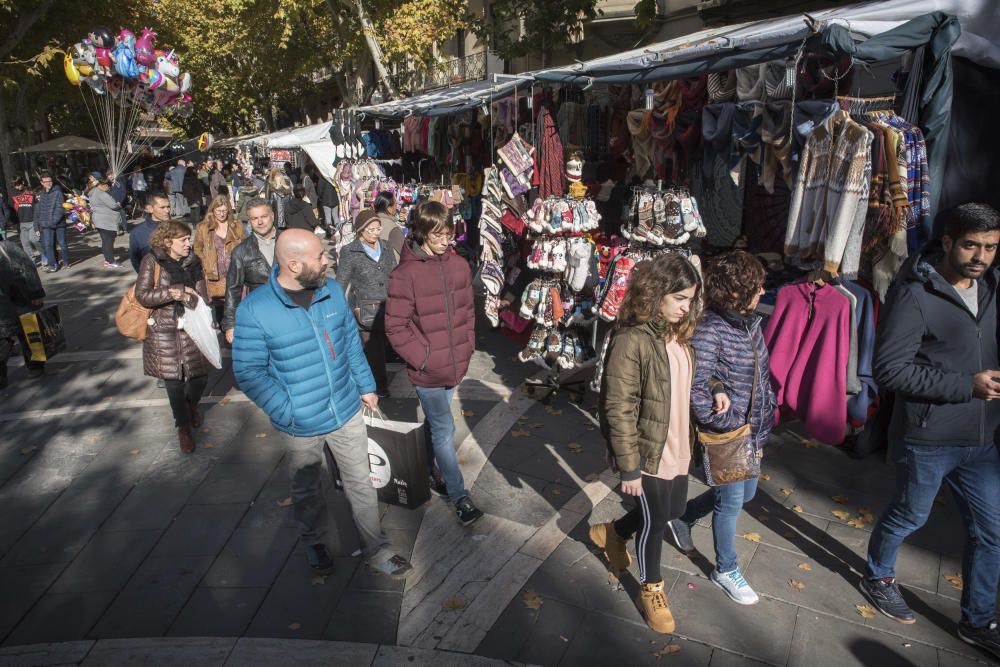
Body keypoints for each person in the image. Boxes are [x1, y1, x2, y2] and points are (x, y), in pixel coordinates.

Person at [232, 228, 412, 578]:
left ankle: (376, 547)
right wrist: (288, 410)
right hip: (300, 423)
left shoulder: (330, 290)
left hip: (345, 409)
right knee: (307, 488)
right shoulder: (255, 309)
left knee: (361, 481)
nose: (328, 261)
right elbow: (249, 371)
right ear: (294, 264)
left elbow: (348, 342)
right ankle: (314, 541)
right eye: (320, 257)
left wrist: (366, 385)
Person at [861, 203, 1000, 657]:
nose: (982, 256)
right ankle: (878, 574)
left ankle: (977, 621)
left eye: (992, 247)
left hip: (981, 439)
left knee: (991, 531)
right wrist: (966, 386)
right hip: (928, 437)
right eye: (972, 245)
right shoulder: (915, 294)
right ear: (947, 242)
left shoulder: (993, 286)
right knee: (910, 514)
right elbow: (890, 370)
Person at [589, 254, 702, 634]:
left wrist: (715, 389)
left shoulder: (678, 334)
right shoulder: (631, 338)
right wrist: (629, 466)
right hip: (647, 448)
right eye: (680, 299)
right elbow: (618, 406)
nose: (687, 307)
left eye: (690, 299)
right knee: (655, 523)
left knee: (669, 510)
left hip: (676, 442)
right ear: (656, 293)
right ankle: (651, 590)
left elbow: (683, 381)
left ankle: (612, 533)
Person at [667, 250, 774, 606]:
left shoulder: (752, 322)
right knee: (731, 502)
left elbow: (761, 375)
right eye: (756, 287)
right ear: (735, 292)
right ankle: (725, 569)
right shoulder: (711, 329)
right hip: (728, 434)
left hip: (754, 429)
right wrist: (725, 421)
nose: (762, 292)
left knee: (747, 495)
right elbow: (695, 388)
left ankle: (684, 516)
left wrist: (767, 411)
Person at [385, 200, 482, 526]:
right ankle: (459, 496)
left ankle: (427, 469)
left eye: (449, 234)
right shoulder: (405, 274)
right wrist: (423, 358)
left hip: (455, 365)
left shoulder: (459, 267)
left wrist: (467, 348)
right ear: (422, 233)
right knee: (444, 429)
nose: (445, 241)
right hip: (427, 371)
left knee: (435, 423)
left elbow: (469, 313)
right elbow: (395, 327)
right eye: (438, 235)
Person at [135, 219, 211, 454]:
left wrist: (192, 299)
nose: (188, 244)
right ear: (168, 242)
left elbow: (202, 295)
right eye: (184, 240)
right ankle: (183, 427)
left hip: (191, 325)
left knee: (199, 377)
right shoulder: (152, 260)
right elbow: (143, 295)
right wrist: (172, 292)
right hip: (163, 329)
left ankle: (191, 406)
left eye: (188, 239)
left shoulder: (193, 261)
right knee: (174, 382)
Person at [337, 210, 395, 397]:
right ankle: (378, 387)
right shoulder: (350, 251)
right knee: (373, 349)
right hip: (364, 309)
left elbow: (395, 274)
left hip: (387, 305)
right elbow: (341, 282)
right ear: (361, 230)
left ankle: (368, 380)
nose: (376, 233)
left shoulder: (386, 247)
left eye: (378, 228)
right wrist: (341, 309)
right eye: (372, 229)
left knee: (381, 348)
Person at [223, 199, 279, 344]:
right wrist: (230, 324)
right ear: (249, 221)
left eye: (263, 217)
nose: (260, 222)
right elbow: (232, 289)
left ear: (272, 216)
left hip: (292, 309)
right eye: (254, 218)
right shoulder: (241, 252)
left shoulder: (290, 240)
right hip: (261, 314)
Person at [194, 194, 246, 326]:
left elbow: (246, 245)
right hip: (215, 275)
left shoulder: (237, 225)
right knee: (220, 311)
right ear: (212, 211)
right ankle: (225, 342)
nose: (222, 214)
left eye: (224, 211)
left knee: (239, 308)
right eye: (218, 211)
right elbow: (197, 248)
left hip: (235, 272)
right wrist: (206, 262)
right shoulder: (203, 227)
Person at [0, 238, 45, 386]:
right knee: (3, 339)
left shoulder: (7, 247)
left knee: (28, 334)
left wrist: (36, 293)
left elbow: (28, 268)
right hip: (3, 306)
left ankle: (35, 366)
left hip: (20, 298)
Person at [88, 174, 124, 268]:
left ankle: (108, 260)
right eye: (107, 186)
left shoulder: (93, 192)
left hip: (99, 219)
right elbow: (113, 205)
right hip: (106, 220)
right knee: (108, 241)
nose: (108, 188)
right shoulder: (102, 194)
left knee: (105, 241)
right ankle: (110, 261)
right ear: (102, 185)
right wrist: (118, 204)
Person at [129, 193, 171, 272]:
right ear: (150, 208)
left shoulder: (176, 227)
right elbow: (135, 259)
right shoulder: (138, 233)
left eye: (168, 207)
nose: (167, 210)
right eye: (162, 207)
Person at [36, 171, 68, 272]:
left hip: (58, 223)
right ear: (41, 182)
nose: (48, 183)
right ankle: (53, 265)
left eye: (50, 181)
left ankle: (66, 262)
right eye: (45, 182)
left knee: (62, 243)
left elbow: (60, 209)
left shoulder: (58, 192)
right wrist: (40, 223)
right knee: (48, 244)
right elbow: (41, 209)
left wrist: (53, 221)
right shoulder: (42, 194)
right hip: (46, 224)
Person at [11, 178, 40, 265]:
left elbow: (36, 207)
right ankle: (31, 261)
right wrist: (14, 222)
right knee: (25, 243)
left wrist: (37, 220)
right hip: (22, 223)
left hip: (32, 221)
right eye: (16, 185)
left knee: (34, 240)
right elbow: (13, 210)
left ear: (23, 182)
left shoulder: (31, 193)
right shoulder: (14, 195)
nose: (18, 187)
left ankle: (44, 254)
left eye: (19, 184)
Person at [372, 191, 405, 262]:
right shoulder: (393, 228)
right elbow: (405, 253)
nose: (397, 206)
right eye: (395, 203)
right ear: (389, 208)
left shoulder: (368, 223)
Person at [315, 169, 340, 238]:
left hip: (326, 201)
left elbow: (319, 190)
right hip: (335, 200)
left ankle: (330, 233)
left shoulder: (322, 179)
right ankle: (338, 231)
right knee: (335, 217)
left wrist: (321, 197)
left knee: (328, 218)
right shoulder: (334, 178)